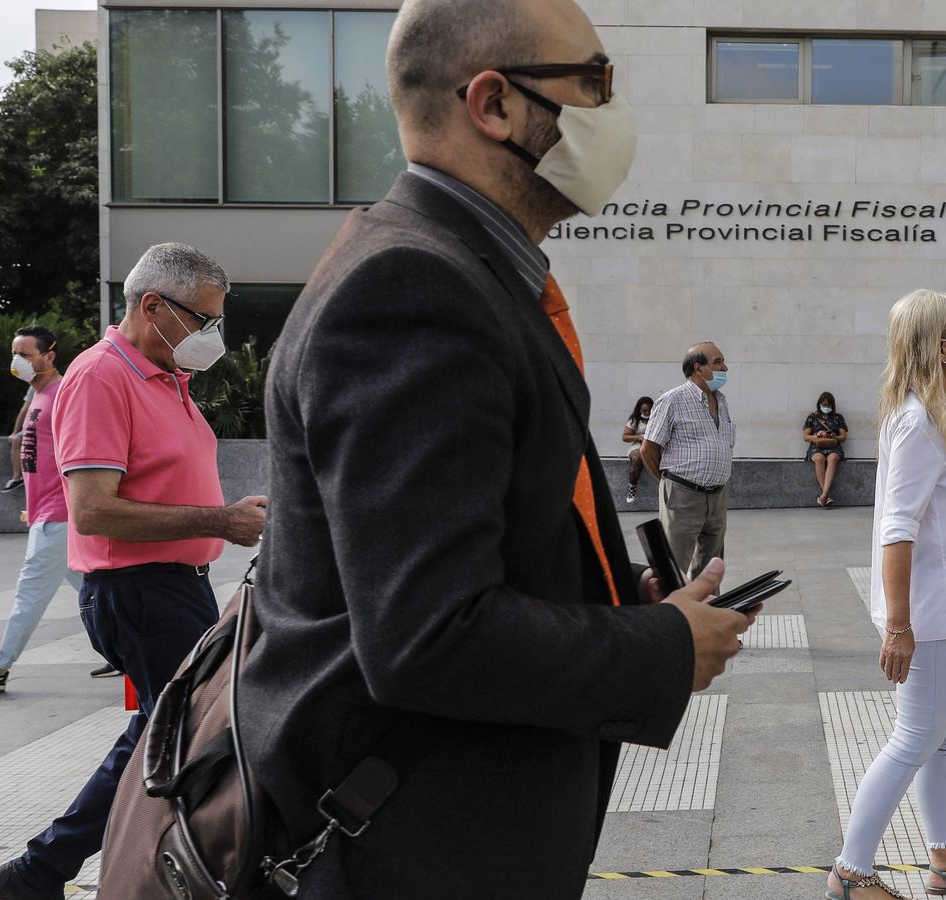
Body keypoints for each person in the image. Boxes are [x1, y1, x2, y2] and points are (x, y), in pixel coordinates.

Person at [236, 1, 754, 895]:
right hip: (411, 853)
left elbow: (466, 545)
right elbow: (428, 633)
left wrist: (609, 600)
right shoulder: (413, 290)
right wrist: (662, 650)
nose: (612, 109)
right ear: (494, 104)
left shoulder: (461, 271)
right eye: (593, 83)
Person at [0, 243, 269, 900]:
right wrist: (220, 522)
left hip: (175, 586)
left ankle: (38, 871)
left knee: (162, 733)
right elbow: (94, 510)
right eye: (202, 319)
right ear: (152, 306)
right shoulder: (101, 377)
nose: (209, 336)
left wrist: (227, 519)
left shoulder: (165, 375)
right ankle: (46, 868)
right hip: (138, 591)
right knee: (180, 734)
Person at [827, 289, 946, 900]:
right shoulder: (916, 421)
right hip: (929, 609)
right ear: (938, 345)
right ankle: (851, 872)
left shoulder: (937, 414)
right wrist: (899, 625)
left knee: (942, 736)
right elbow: (897, 528)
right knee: (914, 740)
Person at [0, 327, 92, 693]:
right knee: (93, 592)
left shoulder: (63, 394)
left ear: (49, 355)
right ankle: (124, 654)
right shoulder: (36, 395)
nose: (18, 362)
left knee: (29, 593)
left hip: (59, 515)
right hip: (48, 514)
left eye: (26, 354)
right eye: (15, 354)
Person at [642, 341, 736, 579]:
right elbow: (649, 449)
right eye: (718, 362)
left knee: (710, 570)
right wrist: (668, 483)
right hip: (683, 496)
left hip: (717, 496)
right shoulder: (672, 400)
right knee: (673, 569)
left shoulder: (721, 401)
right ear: (698, 368)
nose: (725, 367)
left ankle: (706, 613)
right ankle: (671, 614)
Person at [803, 391, 849, 508]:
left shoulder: (838, 417)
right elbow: (806, 436)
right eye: (824, 405)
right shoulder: (812, 417)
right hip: (817, 446)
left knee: (833, 458)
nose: (826, 407)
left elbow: (843, 437)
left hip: (834, 446)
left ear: (832, 405)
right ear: (819, 404)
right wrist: (817, 435)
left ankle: (823, 496)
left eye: (828, 405)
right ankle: (826, 495)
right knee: (819, 458)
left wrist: (833, 436)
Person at [622, 395, 653, 503]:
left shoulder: (656, 418)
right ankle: (632, 487)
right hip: (638, 445)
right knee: (637, 458)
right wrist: (639, 437)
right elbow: (625, 437)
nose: (647, 413)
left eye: (649, 411)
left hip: (653, 446)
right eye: (644, 411)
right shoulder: (634, 419)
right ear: (639, 409)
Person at [1, 387, 32, 494]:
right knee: (16, 439)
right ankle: (16, 478)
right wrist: (15, 432)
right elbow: (25, 409)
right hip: (35, 427)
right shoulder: (34, 386)